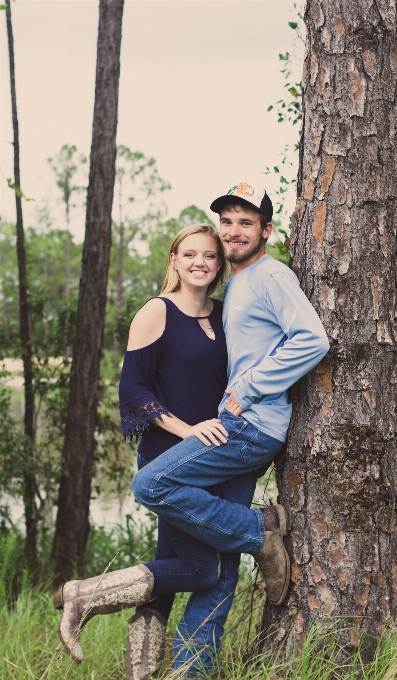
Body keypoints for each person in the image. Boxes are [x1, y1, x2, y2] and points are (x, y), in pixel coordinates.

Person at [132, 183, 330, 669]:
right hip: (239, 426)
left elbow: (312, 339)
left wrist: (250, 387)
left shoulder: (270, 274)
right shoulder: (235, 285)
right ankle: (193, 669)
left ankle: (260, 531)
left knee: (151, 482)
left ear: (266, 230)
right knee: (218, 570)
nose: (234, 231)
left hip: (250, 426)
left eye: (246, 222)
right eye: (227, 221)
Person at [54, 222, 250, 679]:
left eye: (210, 255)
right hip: (172, 458)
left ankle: (138, 674)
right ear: (174, 261)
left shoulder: (224, 313)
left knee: (170, 566)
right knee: (201, 570)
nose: (200, 262)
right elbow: (134, 392)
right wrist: (187, 431)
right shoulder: (156, 311)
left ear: (220, 264)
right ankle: (84, 594)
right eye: (190, 254)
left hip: (216, 454)